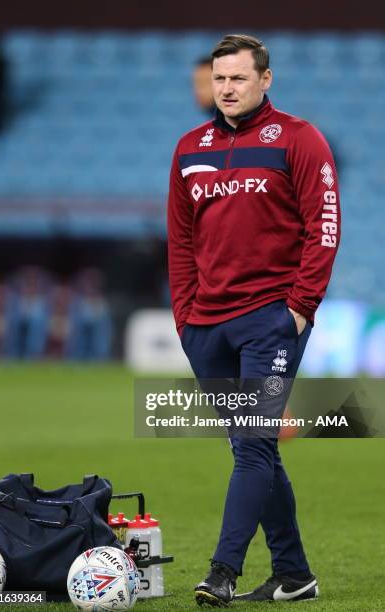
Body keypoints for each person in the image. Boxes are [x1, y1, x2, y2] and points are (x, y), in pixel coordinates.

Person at [167, 34, 340, 605]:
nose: (227, 89)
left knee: (253, 445)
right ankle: (294, 574)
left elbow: (325, 226)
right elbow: (181, 240)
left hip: (271, 321)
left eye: (238, 78)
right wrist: (185, 318)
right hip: (206, 328)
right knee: (255, 445)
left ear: (266, 80)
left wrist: (299, 308)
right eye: (220, 79)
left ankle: (222, 571)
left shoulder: (299, 139)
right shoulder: (190, 148)